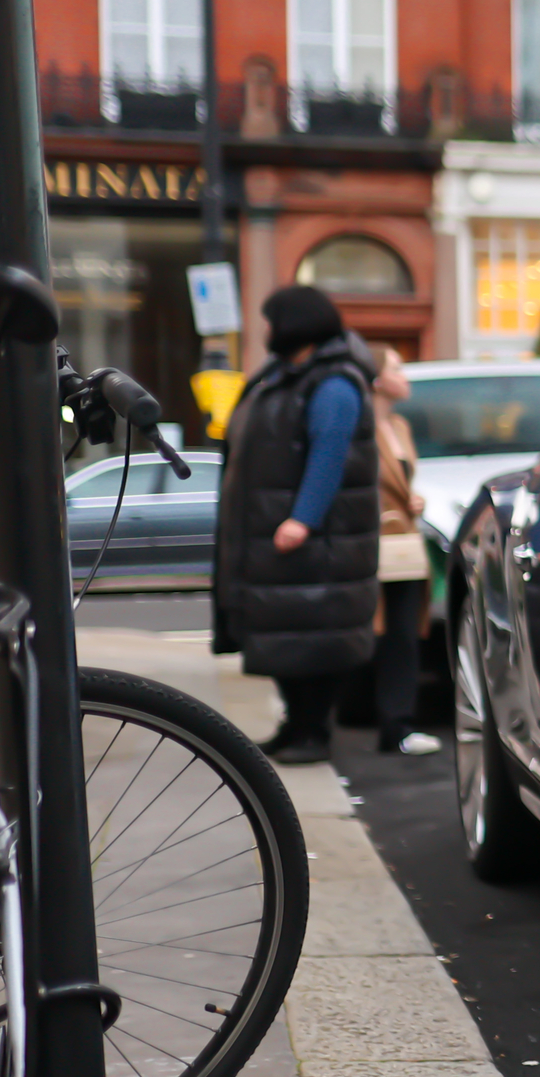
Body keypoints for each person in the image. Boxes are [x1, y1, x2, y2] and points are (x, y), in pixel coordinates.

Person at [212, 285, 380, 765]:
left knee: (312, 642)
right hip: (273, 531)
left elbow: (330, 452)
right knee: (285, 636)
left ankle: (312, 732)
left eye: (271, 321)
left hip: (310, 540)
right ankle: (296, 726)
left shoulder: (332, 383)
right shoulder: (286, 377)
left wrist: (302, 519)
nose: (266, 332)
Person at [370, 347, 442, 757]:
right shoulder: (361, 425)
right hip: (372, 542)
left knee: (403, 632)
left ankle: (398, 725)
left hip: (402, 544)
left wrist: (414, 500)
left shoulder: (399, 424)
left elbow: (400, 480)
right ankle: (386, 722)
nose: (405, 374)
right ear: (377, 379)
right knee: (377, 634)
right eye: (396, 367)